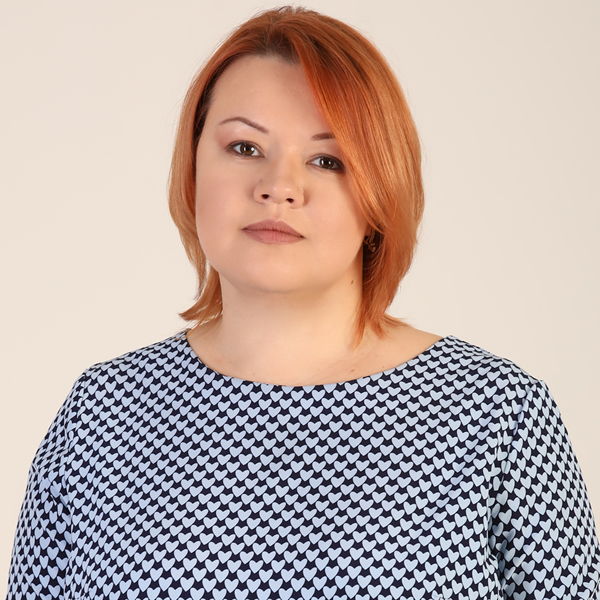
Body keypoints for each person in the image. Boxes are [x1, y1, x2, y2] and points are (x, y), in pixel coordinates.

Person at [6, 6, 600, 600]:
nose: (279, 187)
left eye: (327, 159)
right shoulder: (101, 416)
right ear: (192, 168)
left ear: (382, 191)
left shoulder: (497, 416)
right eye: (244, 147)